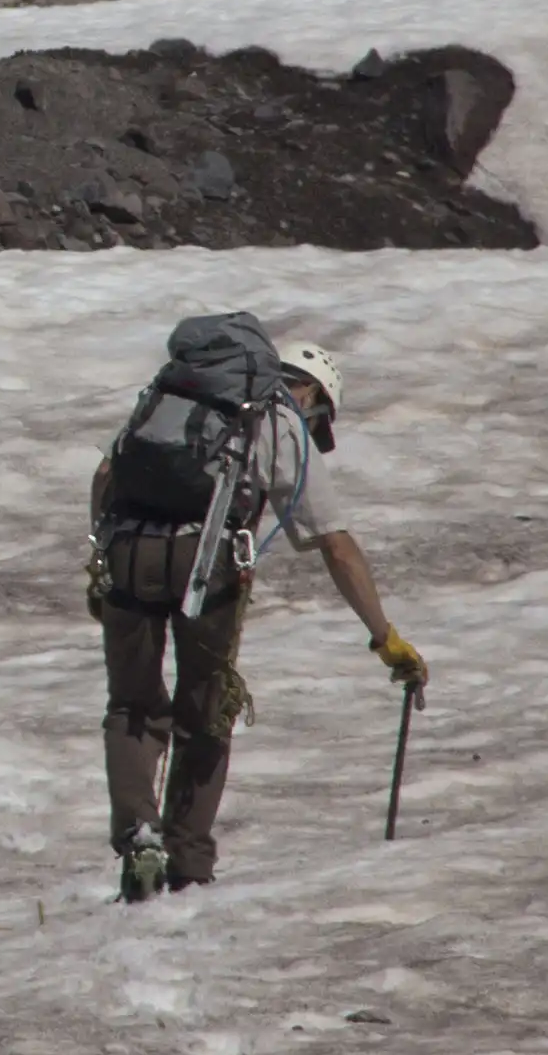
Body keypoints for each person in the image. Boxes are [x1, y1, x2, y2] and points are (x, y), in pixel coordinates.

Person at [92, 335, 426, 898]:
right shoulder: (277, 416)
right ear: (312, 394)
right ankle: (188, 864)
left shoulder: (170, 393)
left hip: (128, 555)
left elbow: (107, 475)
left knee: (132, 704)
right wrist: (384, 637)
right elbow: (335, 545)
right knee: (206, 712)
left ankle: (139, 833)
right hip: (208, 566)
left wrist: (100, 559)